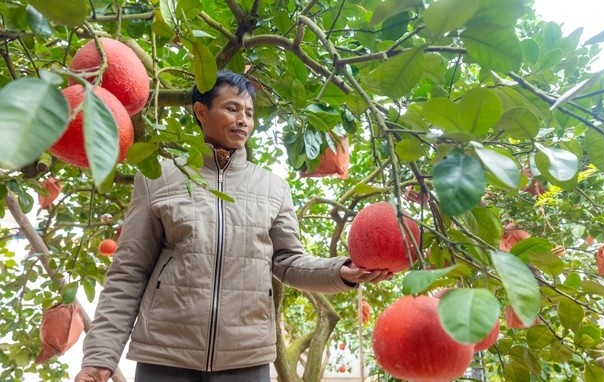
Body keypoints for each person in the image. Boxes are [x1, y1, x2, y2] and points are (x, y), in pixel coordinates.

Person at [74, 70, 392, 382]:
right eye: (231, 108)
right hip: (166, 358)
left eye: (249, 113)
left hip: (247, 359)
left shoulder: (273, 188)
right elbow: (128, 272)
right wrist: (100, 359)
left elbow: (287, 261)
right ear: (201, 111)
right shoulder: (159, 177)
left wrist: (341, 271)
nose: (243, 120)